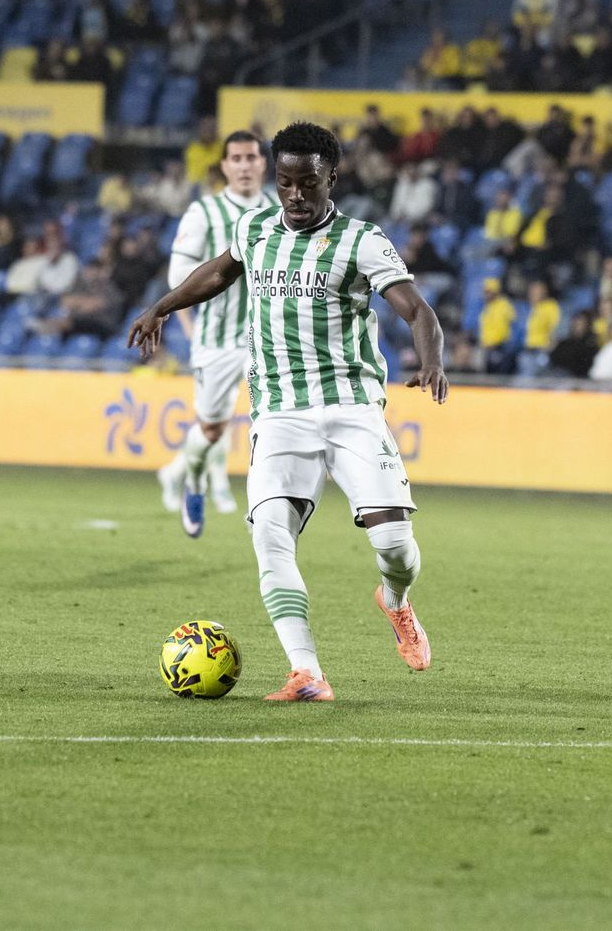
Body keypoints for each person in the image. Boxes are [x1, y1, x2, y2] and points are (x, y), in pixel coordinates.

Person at [128, 122, 449, 702]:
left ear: (332, 178)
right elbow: (218, 272)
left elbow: (417, 310)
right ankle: (307, 672)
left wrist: (432, 361)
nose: (295, 195)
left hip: (352, 407)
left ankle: (395, 600)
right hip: (279, 412)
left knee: (395, 545)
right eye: (285, 183)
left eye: (308, 183)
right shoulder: (254, 229)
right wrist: (162, 307)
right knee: (270, 535)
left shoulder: (362, 240)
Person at [155, 130, 277, 532]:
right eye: (236, 159)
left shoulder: (281, 210)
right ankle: (193, 480)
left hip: (269, 339)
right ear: (224, 166)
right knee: (210, 429)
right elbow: (178, 275)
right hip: (217, 338)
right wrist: (224, 269)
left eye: (251, 157)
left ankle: (266, 508)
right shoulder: (203, 212)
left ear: (262, 163)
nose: (244, 165)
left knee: (275, 427)